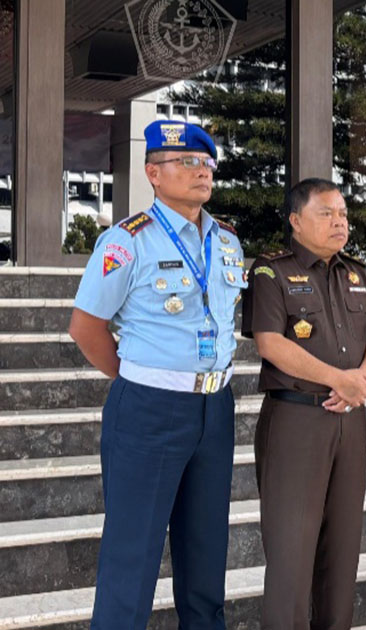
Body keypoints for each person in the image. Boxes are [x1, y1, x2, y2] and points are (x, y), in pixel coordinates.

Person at [68, 120, 245, 629]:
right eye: (186, 162)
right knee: (132, 555)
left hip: (214, 408)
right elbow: (86, 327)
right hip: (149, 409)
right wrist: (134, 376)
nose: (201, 171)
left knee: (206, 554)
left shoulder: (226, 240)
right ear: (153, 173)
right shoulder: (128, 241)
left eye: (206, 163)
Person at [242, 178, 366, 629]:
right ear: (296, 220)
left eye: (342, 214)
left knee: (342, 551)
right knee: (291, 554)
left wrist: (361, 378)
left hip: (349, 422)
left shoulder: (356, 273)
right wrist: (338, 380)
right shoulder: (271, 272)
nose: (339, 222)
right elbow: (270, 343)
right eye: (326, 214)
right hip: (296, 420)